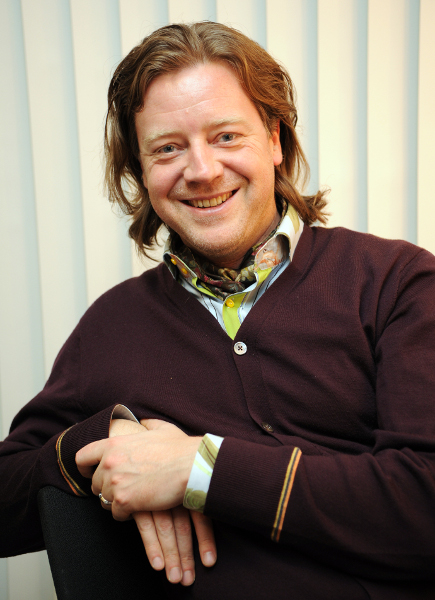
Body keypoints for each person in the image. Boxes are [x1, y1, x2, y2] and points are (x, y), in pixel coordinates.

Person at [1, 21, 435, 600]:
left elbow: (423, 502)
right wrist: (113, 439)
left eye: (226, 136)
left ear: (275, 139)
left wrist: (195, 468)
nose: (202, 170)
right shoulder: (109, 326)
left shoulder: (397, 282)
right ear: (140, 171)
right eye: (168, 148)